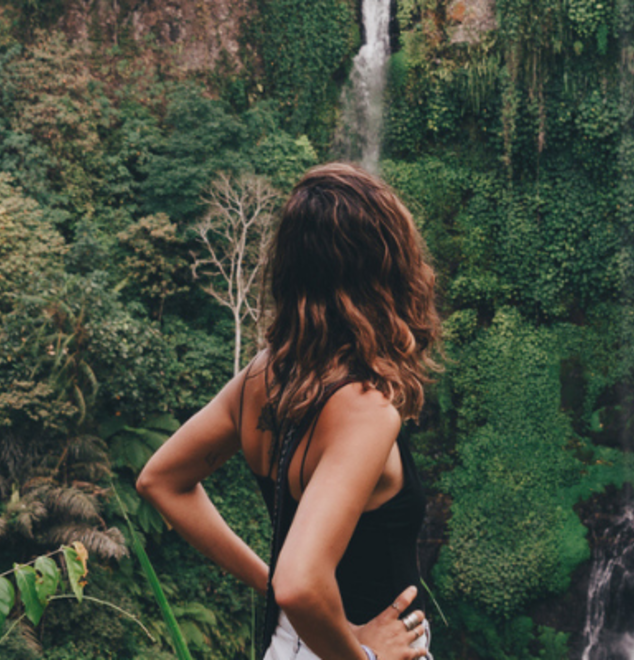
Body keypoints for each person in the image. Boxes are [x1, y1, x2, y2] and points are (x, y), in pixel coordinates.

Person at [136, 163, 441, 660]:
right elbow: (302, 583)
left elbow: (160, 479)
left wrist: (271, 584)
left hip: (288, 645)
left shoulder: (263, 376)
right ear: (385, 269)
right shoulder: (368, 411)